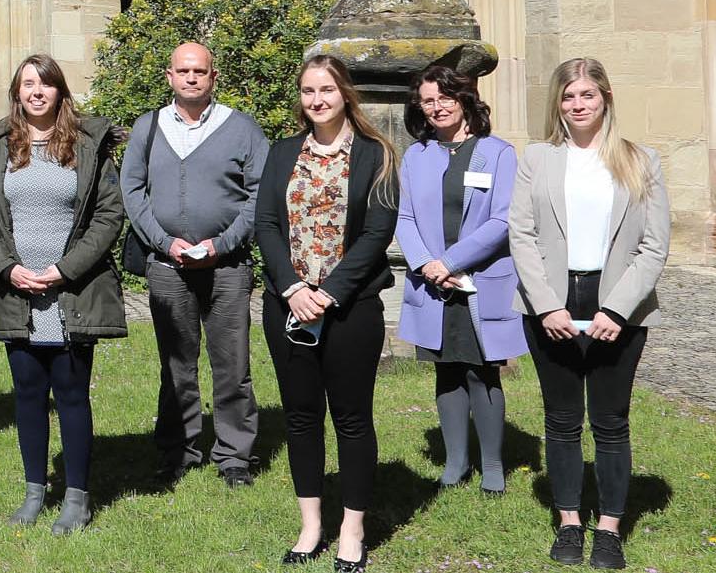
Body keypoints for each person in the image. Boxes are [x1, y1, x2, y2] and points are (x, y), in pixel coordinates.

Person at [509, 58, 669, 572]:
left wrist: (617, 309)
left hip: (618, 302)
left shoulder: (641, 160)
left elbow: (654, 246)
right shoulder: (537, 158)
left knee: (610, 420)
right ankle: (570, 522)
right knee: (561, 419)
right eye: (568, 96)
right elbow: (521, 235)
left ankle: (609, 530)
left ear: (605, 98)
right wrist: (546, 304)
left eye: (587, 95)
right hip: (551, 302)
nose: (577, 105)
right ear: (557, 103)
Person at [0, 55, 126, 534]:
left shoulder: (87, 144)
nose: (36, 92)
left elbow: (109, 214)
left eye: (46, 84)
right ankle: (34, 491)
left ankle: (77, 498)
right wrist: (8, 268)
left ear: (60, 91)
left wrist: (64, 270)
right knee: (28, 394)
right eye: (28, 84)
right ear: (17, 92)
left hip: (71, 293)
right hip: (18, 294)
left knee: (72, 394)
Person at [256, 56, 398, 572]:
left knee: (352, 418)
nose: (317, 100)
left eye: (327, 90)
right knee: (300, 416)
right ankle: (311, 524)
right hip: (288, 307)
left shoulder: (376, 155)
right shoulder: (282, 153)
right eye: (308, 91)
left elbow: (377, 233)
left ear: (345, 94)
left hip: (350, 310)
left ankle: (352, 530)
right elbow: (266, 224)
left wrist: (330, 292)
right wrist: (293, 287)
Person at [118, 40, 268, 487]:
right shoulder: (149, 127)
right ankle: (178, 451)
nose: (190, 78)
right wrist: (165, 243)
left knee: (233, 365)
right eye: (183, 71)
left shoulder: (241, 128)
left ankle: (234, 456)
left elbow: (261, 192)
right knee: (175, 365)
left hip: (228, 266)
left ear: (213, 77)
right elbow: (132, 190)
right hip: (168, 267)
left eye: (199, 71)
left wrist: (224, 243)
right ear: (169, 76)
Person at [396, 63, 525, 497]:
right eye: (427, 101)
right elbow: (405, 217)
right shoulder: (416, 155)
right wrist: (426, 265)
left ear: (464, 98)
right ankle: (455, 462)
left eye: (444, 98)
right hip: (432, 283)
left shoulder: (498, 153)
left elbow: (503, 220)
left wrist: (450, 262)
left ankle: (492, 465)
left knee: (482, 372)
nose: (436, 107)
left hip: (479, 280)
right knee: (447, 371)